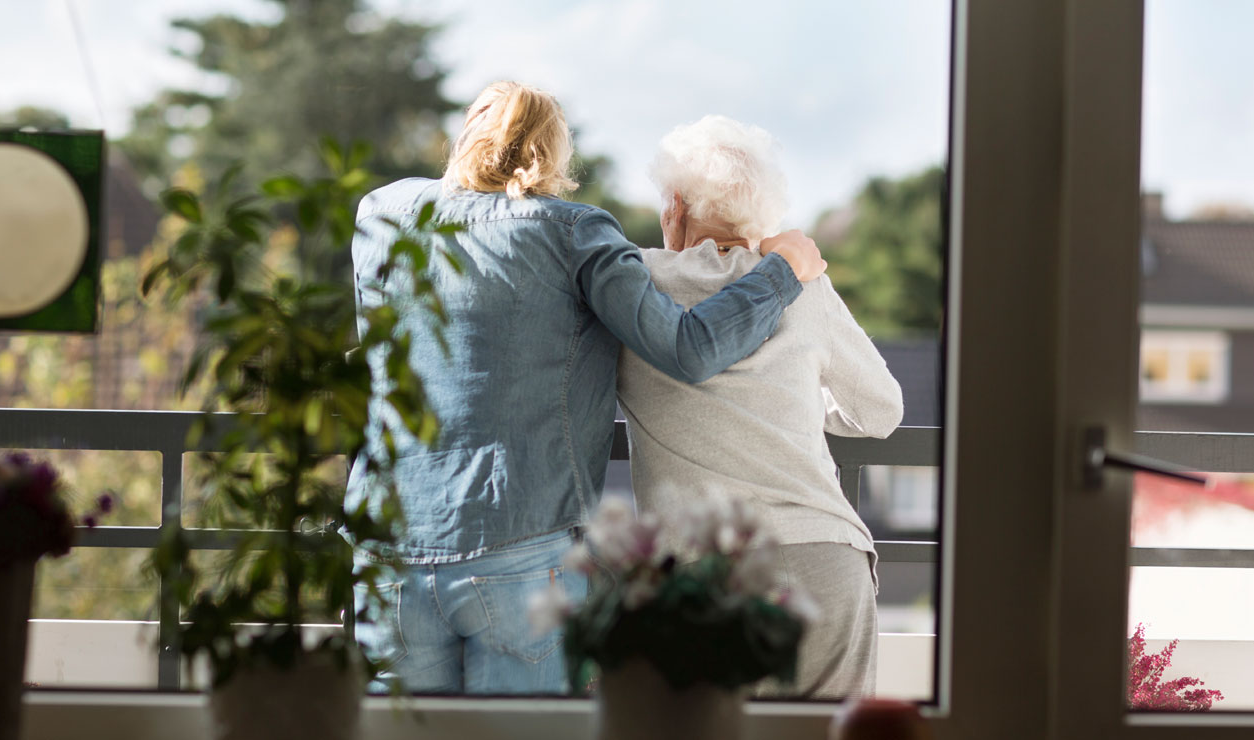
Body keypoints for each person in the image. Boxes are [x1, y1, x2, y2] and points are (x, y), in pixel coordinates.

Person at [347, 83, 827, 695]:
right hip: (523, 554)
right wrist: (783, 272)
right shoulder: (576, 232)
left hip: (390, 551)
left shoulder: (382, 214)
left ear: (465, 137)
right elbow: (689, 348)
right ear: (554, 154)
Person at [617, 115, 904, 699]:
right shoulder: (802, 285)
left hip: (701, 572)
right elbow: (880, 411)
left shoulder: (635, 285)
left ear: (674, 206)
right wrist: (794, 397)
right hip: (825, 559)